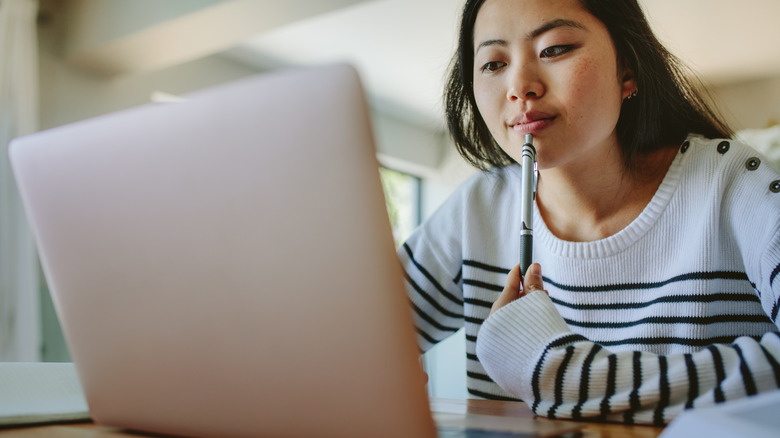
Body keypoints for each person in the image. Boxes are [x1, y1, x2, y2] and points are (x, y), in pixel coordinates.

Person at [398, 0, 780, 426]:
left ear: (628, 70)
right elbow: (349, 342)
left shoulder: (735, 186)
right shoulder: (476, 208)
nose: (520, 86)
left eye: (555, 48)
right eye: (492, 63)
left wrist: (563, 376)